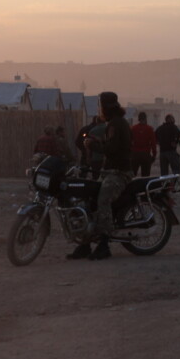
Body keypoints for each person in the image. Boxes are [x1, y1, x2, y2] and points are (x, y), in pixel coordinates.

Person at [71, 93, 133, 261]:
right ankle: (85, 244)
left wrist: (94, 145)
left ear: (105, 107)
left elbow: (111, 149)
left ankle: (104, 244)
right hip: (109, 171)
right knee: (90, 201)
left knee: (102, 201)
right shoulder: (115, 123)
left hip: (119, 172)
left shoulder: (115, 124)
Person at [130, 111, 157, 177]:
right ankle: (144, 187)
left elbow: (129, 141)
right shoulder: (150, 129)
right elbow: (153, 143)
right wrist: (154, 155)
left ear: (139, 119)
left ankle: (133, 187)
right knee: (145, 175)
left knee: (133, 175)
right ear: (145, 118)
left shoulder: (133, 128)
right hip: (146, 154)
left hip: (135, 154)